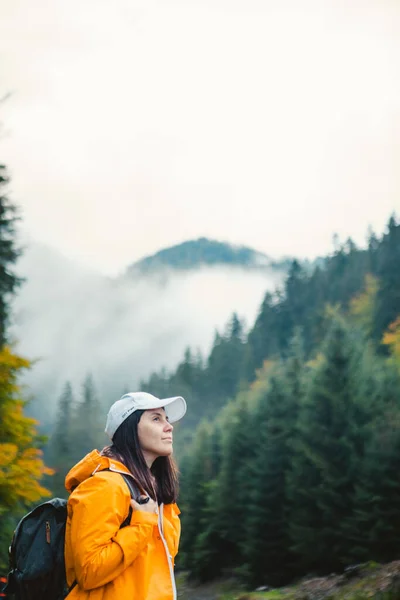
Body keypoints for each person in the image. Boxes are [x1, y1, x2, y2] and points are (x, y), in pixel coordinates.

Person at [64, 391, 187, 600]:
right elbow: (89, 571)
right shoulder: (105, 486)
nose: (169, 426)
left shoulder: (155, 495)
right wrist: (140, 527)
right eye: (156, 419)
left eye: (166, 419)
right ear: (129, 429)